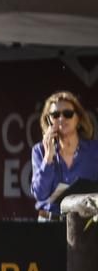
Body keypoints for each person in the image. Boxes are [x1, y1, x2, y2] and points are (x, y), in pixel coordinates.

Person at [30, 90, 98, 221]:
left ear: (78, 118)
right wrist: (48, 157)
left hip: (85, 224)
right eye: (55, 115)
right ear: (49, 120)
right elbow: (40, 194)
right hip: (50, 223)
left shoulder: (94, 150)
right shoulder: (39, 151)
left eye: (68, 114)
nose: (61, 119)